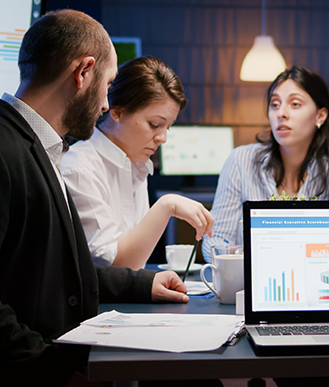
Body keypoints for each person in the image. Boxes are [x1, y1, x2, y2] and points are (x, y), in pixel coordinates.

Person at [0, 10, 193, 386]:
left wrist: (140, 285)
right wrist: (54, 371)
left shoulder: (40, 148)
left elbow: (59, 271)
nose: (106, 103)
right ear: (83, 72)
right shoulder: (7, 150)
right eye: (107, 84)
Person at [61, 56, 214, 270]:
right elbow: (113, 268)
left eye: (167, 127)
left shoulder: (136, 164)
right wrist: (166, 206)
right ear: (117, 112)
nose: (163, 138)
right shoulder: (79, 167)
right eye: (155, 124)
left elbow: (133, 268)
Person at [202, 66, 329, 261]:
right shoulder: (240, 160)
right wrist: (242, 259)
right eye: (275, 104)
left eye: (295, 104)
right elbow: (215, 240)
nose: (281, 113)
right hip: (246, 282)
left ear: (320, 116)